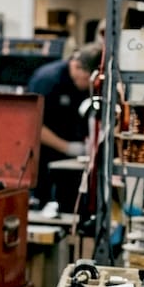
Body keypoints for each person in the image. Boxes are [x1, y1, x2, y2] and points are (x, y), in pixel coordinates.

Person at [27, 42, 102, 210]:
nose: (90, 85)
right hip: (43, 157)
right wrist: (67, 147)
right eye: (88, 79)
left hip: (68, 160)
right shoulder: (47, 80)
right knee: (44, 203)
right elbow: (32, 124)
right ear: (77, 67)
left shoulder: (83, 86)